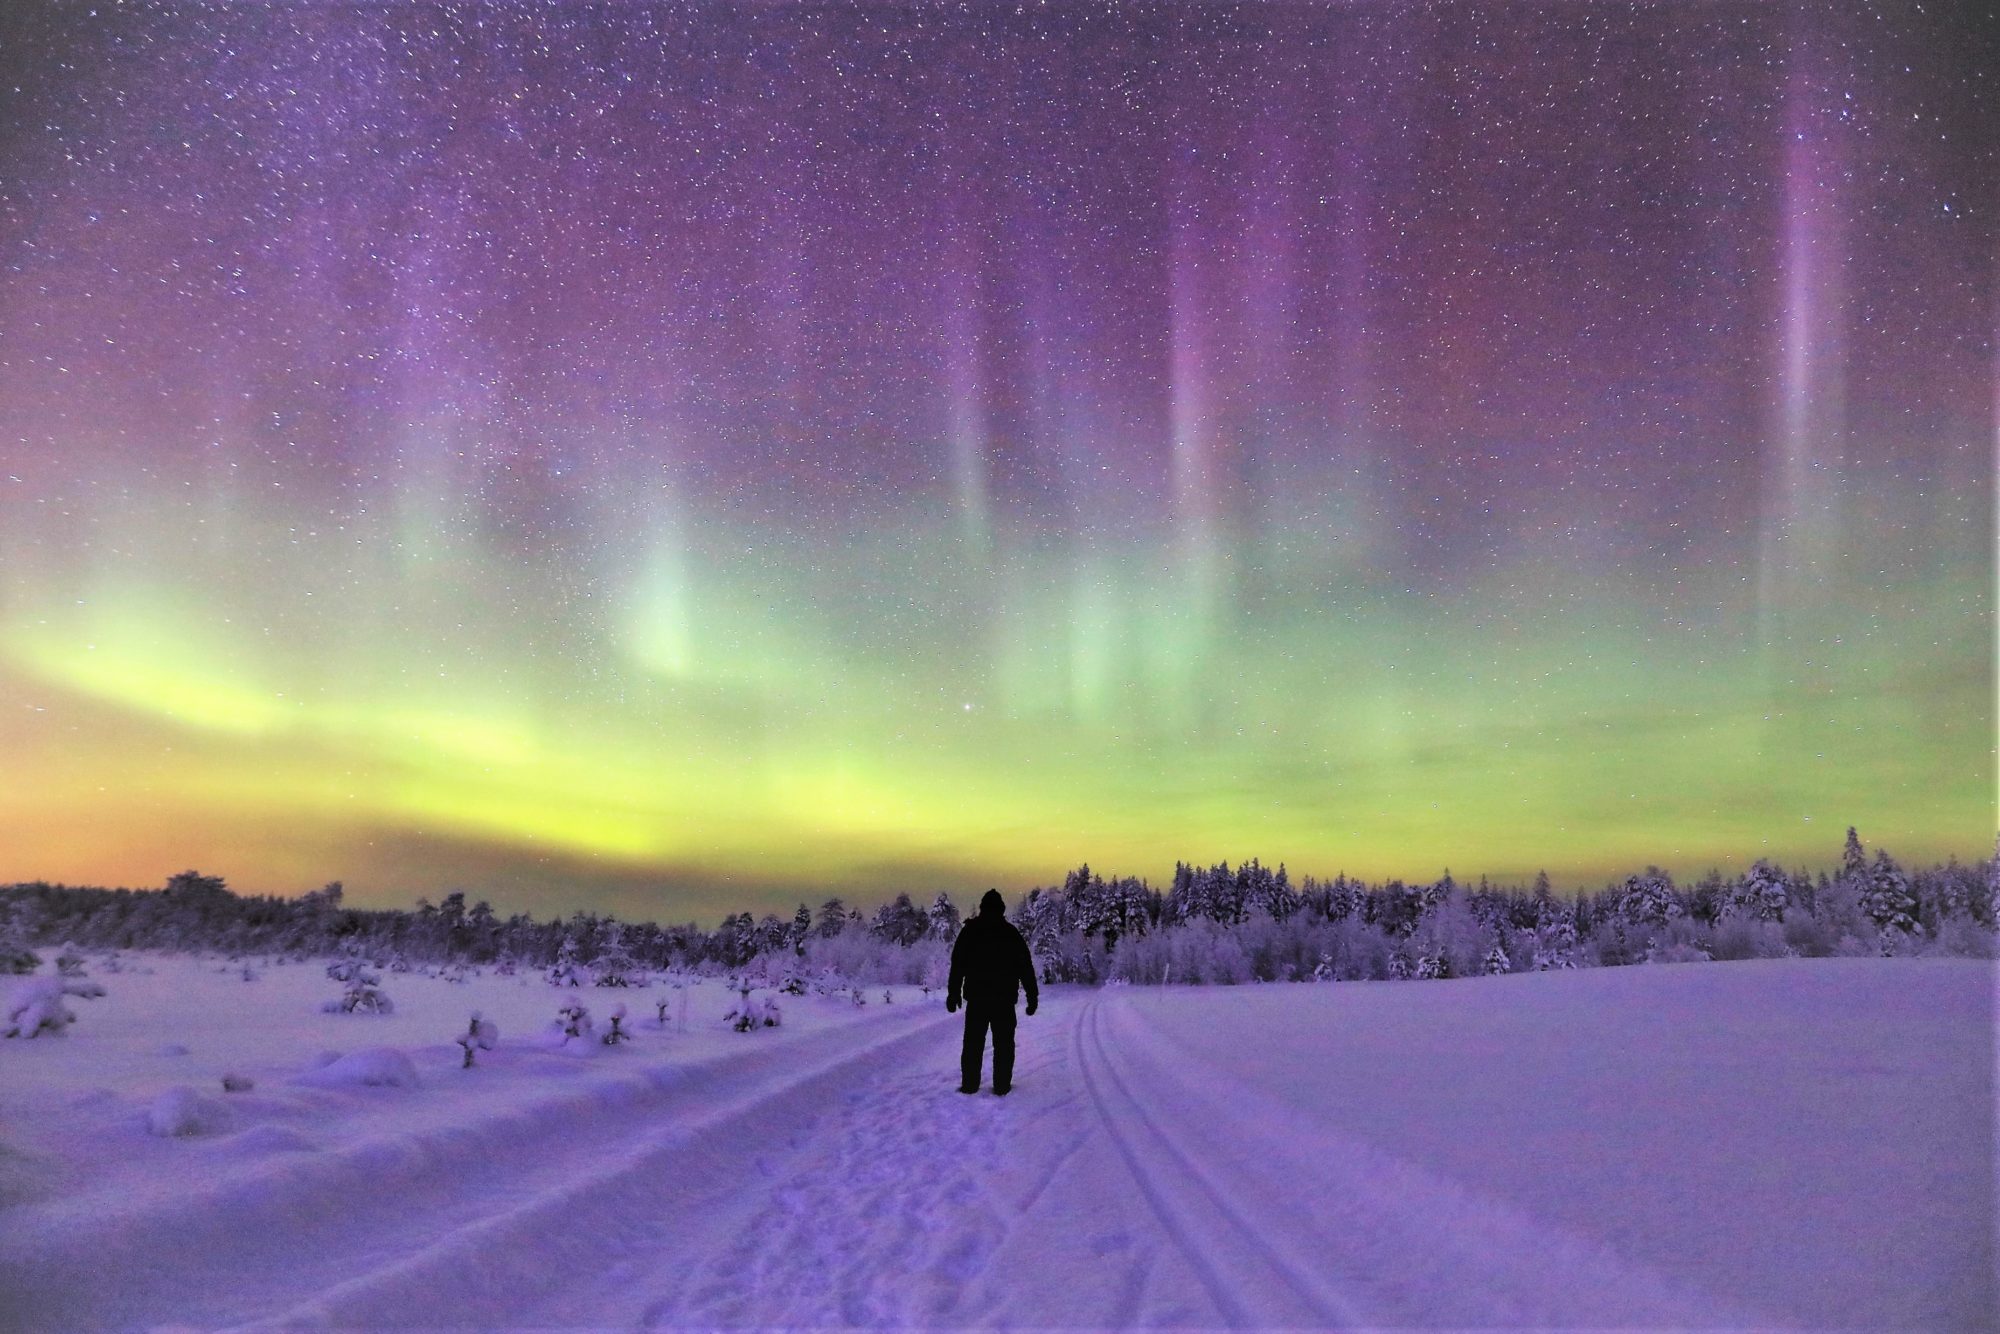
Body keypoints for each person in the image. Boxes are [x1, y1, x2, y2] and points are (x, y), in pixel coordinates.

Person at [946, 889, 1038, 1095]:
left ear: (982, 908)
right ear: (1001, 910)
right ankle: (1002, 1086)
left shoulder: (970, 931)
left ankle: (970, 1085)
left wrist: (953, 993)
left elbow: (957, 965)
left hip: (977, 1000)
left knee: (973, 1044)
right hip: (1003, 1001)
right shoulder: (1010, 933)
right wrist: (1032, 996)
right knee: (1004, 1045)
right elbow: (1025, 967)